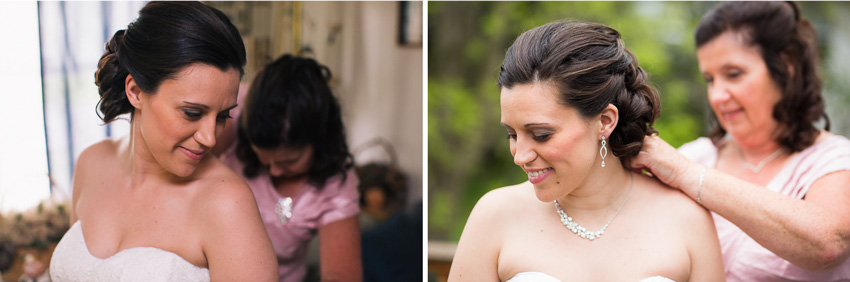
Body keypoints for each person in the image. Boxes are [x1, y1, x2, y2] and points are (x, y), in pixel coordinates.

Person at [448, 21, 725, 282]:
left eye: (541, 135)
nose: (520, 156)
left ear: (605, 121)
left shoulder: (687, 219)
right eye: (512, 134)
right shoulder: (494, 215)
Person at [49, 2, 278, 281]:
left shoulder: (227, 203)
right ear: (135, 92)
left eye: (222, 116)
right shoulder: (91, 163)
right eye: (192, 113)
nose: (210, 138)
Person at [630, 2, 850, 281]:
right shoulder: (696, 155)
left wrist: (685, 174)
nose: (718, 95)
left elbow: (829, 246)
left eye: (733, 74)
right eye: (710, 79)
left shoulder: (833, 159)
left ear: (786, 66)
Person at [213, 54, 362, 282]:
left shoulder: (337, 185)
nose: (274, 171)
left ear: (319, 140)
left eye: (289, 161)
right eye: (262, 157)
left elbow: (341, 276)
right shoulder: (237, 106)